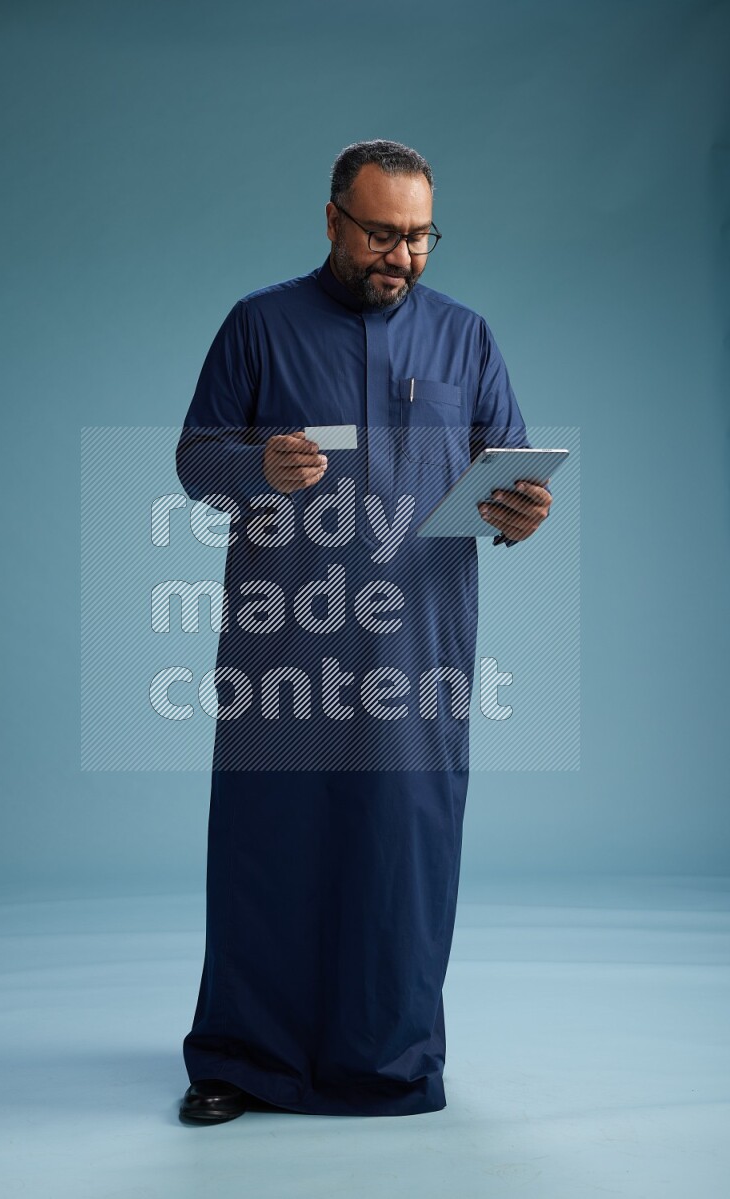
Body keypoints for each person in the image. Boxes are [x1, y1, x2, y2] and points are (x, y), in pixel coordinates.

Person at [174, 140, 551, 1124]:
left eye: (418, 236)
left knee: (400, 852)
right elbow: (194, 455)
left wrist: (518, 512)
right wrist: (256, 464)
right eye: (381, 232)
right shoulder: (259, 326)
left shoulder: (463, 339)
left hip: (414, 654)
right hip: (283, 645)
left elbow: (506, 470)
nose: (400, 254)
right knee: (268, 846)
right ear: (333, 219)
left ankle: (388, 1058)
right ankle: (240, 1058)